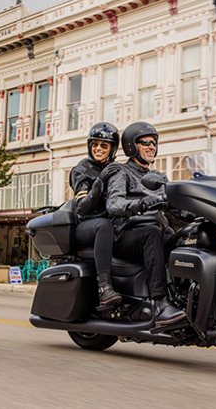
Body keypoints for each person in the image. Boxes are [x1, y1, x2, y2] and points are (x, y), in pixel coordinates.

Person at [105, 122, 186, 325]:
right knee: (152, 232)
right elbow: (114, 204)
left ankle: (185, 297)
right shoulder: (121, 173)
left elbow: (177, 206)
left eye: (154, 143)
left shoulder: (159, 177)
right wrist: (140, 204)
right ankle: (160, 303)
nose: (151, 146)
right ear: (132, 146)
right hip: (127, 235)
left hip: (155, 233)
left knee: (187, 237)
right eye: (145, 142)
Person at [69, 122, 122, 307]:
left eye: (104, 145)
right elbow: (82, 207)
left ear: (112, 149)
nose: (98, 149)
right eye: (95, 144)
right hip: (86, 225)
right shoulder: (81, 169)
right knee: (104, 225)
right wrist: (99, 183)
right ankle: (104, 287)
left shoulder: (116, 168)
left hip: (111, 222)